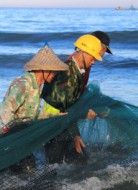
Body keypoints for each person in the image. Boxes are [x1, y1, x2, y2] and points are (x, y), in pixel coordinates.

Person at [41, 34, 108, 164]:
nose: (93, 61)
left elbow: (70, 106)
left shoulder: (77, 71)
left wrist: (75, 133)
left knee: (76, 162)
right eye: (92, 57)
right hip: (53, 126)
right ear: (82, 52)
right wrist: (79, 126)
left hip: (62, 124)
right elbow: (64, 109)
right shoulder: (67, 74)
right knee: (53, 168)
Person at [0, 45, 68, 172]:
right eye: (53, 71)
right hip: (11, 138)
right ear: (43, 69)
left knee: (29, 172)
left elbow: (32, 116)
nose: (55, 74)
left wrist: (53, 117)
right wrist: (13, 136)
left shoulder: (38, 87)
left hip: (24, 137)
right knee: (25, 172)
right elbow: (5, 111)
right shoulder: (23, 84)